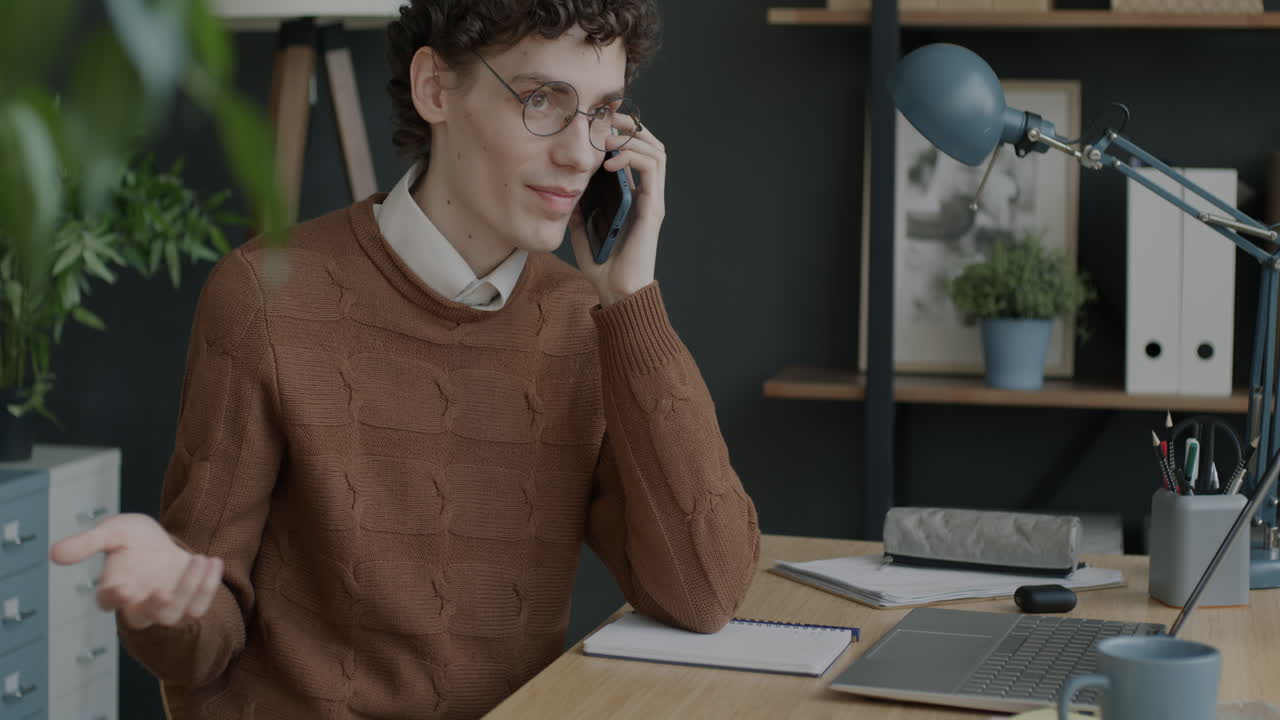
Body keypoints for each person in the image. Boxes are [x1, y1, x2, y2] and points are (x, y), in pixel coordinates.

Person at [49, 1, 761, 717]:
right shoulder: (265, 299)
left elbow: (705, 593)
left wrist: (631, 300)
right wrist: (168, 604)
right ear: (435, 89)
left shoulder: (586, 321)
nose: (581, 153)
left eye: (604, 112)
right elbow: (206, 644)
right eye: (541, 99)